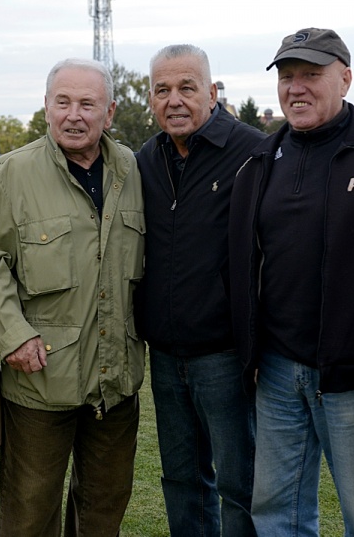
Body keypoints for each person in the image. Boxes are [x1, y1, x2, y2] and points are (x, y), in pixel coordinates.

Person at [229, 28, 354, 536]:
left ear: (346, 78)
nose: (297, 88)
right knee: (276, 512)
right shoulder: (259, 162)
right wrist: (250, 354)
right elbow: (244, 269)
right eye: (287, 77)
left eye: (312, 75)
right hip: (276, 373)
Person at [0, 58, 144, 537]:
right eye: (62, 102)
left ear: (108, 113)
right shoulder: (12, 174)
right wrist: (15, 336)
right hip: (40, 380)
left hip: (116, 380)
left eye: (87, 104)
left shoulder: (131, 168)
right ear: (45, 109)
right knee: (30, 513)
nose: (74, 115)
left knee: (104, 510)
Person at [135, 44, 266, 537]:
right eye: (162, 90)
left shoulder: (252, 152)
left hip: (225, 356)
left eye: (187, 88)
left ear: (211, 93)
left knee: (240, 485)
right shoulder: (147, 159)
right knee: (181, 481)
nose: (174, 100)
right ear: (151, 99)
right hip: (166, 355)